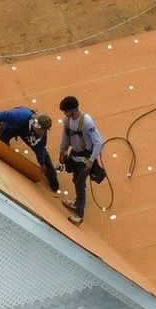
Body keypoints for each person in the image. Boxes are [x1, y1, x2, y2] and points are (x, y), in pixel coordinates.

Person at [0, 104, 58, 190]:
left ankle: (52, 176)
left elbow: (39, 150)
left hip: (27, 134)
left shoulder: (41, 137)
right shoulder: (21, 115)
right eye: (41, 130)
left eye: (44, 131)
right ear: (37, 126)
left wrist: (42, 163)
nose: (43, 132)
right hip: (14, 126)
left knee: (43, 153)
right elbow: (0, 114)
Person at [56, 94, 102, 224]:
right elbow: (65, 136)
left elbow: (98, 142)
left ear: (73, 110)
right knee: (75, 179)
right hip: (76, 155)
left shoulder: (87, 122)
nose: (64, 114)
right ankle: (77, 204)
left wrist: (91, 160)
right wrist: (62, 151)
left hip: (86, 157)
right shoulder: (67, 120)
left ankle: (79, 215)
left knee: (79, 183)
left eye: (66, 111)